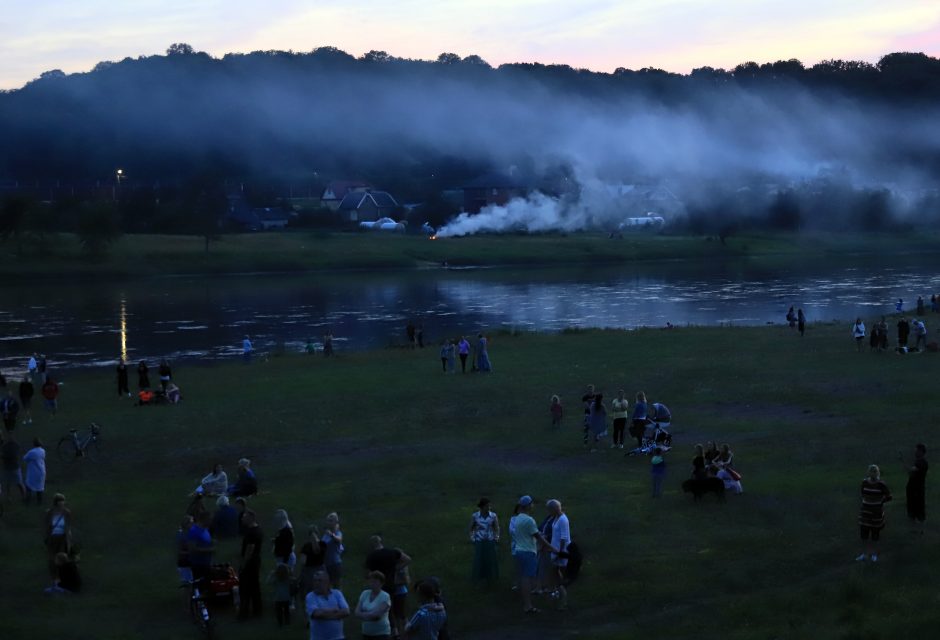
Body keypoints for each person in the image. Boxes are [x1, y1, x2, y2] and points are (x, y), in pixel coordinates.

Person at [365, 535, 411, 637]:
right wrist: (397, 568)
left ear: (372, 545)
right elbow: (408, 559)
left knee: (389, 612)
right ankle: (408, 632)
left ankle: (395, 633)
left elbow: (368, 574)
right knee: (401, 613)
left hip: (382, 587)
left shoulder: (371, 556)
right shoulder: (392, 552)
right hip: (396, 586)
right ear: (381, 542)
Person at [510, 495, 541, 614]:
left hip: (519, 550)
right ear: (528, 505)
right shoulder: (529, 520)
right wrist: (552, 548)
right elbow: (537, 537)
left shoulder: (517, 519)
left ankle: (526, 603)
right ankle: (528, 605)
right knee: (528, 579)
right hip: (528, 551)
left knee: (524, 578)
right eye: (532, 504)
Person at [857, 464, 891, 562]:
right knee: (864, 535)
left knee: (875, 535)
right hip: (865, 512)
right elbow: (862, 493)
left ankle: (874, 554)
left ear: (877, 472)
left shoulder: (881, 484)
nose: (873, 473)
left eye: (874, 471)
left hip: (876, 513)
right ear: (868, 472)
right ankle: (864, 554)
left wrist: (880, 502)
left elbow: (889, 496)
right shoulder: (864, 482)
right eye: (871, 471)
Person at [305, 569, 350, 640]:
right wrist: (334, 610)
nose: (316, 583)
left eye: (319, 580)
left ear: (327, 582)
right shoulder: (310, 596)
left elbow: (346, 612)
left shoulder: (337, 593)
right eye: (314, 580)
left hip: (338, 638)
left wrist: (325, 616)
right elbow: (316, 614)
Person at [545, 499, 570, 611]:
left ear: (554, 509)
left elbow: (563, 539)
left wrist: (559, 553)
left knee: (560, 576)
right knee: (554, 574)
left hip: (561, 553)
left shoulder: (563, 520)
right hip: (555, 551)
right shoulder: (556, 518)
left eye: (549, 510)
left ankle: (563, 601)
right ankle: (557, 595)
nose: (548, 512)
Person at [239, 509, 264, 618]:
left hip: (250, 562)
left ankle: (244, 612)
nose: (242, 519)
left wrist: (243, 563)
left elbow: (250, 548)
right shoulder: (257, 529)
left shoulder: (251, 532)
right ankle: (257, 610)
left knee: (245, 588)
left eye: (244, 517)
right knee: (255, 586)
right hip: (256, 561)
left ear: (251, 518)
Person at [469, 497, 500, 582]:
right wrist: (472, 538)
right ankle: (479, 577)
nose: (489, 508)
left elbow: (496, 527)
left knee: (490, 559)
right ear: (482, 507)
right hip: (479, 540)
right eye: (487, 506)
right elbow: (471, 528)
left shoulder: (493, 515)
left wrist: (496, 537)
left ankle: (491, 577)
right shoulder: (475, 516)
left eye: (489, 506)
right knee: (479, 559)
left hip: (490, 540)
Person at [355, 570, 392, 640]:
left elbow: (377, 615)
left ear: (381, 583)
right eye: (371, 581)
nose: (372, 584)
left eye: (375, 582)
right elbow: (357, 612)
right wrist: (370, 615)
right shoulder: (364, 593)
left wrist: (363, 615)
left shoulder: (385, 596)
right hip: (366, 633)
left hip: (381, 634)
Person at [901, 444, 928, 534]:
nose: (915, 452)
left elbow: (911, 471)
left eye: (916, 450)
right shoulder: (918, 462)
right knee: (912, 508)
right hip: (913, 489)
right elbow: (912, 474)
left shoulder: (922, 462)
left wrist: (904, 463)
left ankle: (920, 530)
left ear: (921, 451)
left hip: (917, 489)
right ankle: (914, 530)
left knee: (918, 508)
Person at [45, 494, 72, 579]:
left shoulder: (66, 513)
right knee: (52, 558)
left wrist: (69, 540)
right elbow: (46, 527)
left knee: (62, 557)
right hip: (52, 538)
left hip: (62, 538)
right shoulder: (49, 513)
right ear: (56, 503)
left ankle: (62, 575)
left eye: (63, 502)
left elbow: (68, 527)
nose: (62, 504)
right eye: (60, 502)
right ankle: (54, 575)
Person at [299, 525, 327, 597]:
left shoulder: (322, 544)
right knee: (314, 589)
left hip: (315, 569)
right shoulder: (321, 544)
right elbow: (303, 561)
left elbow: (316, 551)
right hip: (313, 570)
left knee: (315, 590)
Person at [187, 511, 215, 582]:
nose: (211, 522)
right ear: (205, 519)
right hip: (198, 565)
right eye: (210, 519)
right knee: (200, 588)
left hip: (206, 563)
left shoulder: (205, 529)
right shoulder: (194, 531)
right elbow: (192, 548)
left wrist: (212, 542)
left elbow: (204, 541)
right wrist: (209, 550)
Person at [322, 512, 345, 587]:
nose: (329, 522)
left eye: (331, 520)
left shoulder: (338, 533)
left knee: (336, 586)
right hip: (326, 564)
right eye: (328, 520)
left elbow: (339, 540)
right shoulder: (325, 534)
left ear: (336, 522)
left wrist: (332, 535)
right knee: (327, 586)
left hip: (335, 564)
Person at [1, 432, 26, 501]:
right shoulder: (7, 446)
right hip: (9, 467)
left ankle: (23, 496)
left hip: (13, 467)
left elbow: (6, 456)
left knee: (18, 483)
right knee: (9, 483)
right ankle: (10, 497)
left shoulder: (13, 446)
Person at [23, 437, 46, 505]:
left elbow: (24, 458)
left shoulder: (32, 452)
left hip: (33, 472)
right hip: (42, 471)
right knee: (40, 487)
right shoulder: (43, 450)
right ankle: (39, 502)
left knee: (29, 486)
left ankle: (28, 501)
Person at [269, 562, 293, 626]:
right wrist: (289, 570)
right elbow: (293, 580)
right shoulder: (288, 579)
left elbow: (268, 582)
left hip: (278, 598)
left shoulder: (276, 579)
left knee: (278, 611)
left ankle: (280, 623)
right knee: (286, 611)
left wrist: (271, 574)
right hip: (287, 598)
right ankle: (287, 622)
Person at [176, 515, 194, 584]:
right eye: (191, 522)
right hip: (184, 564)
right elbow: (179, 551)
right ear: (186, 524)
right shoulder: (181, 535)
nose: (193, 524)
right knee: (188, 585)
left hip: (191, 563)